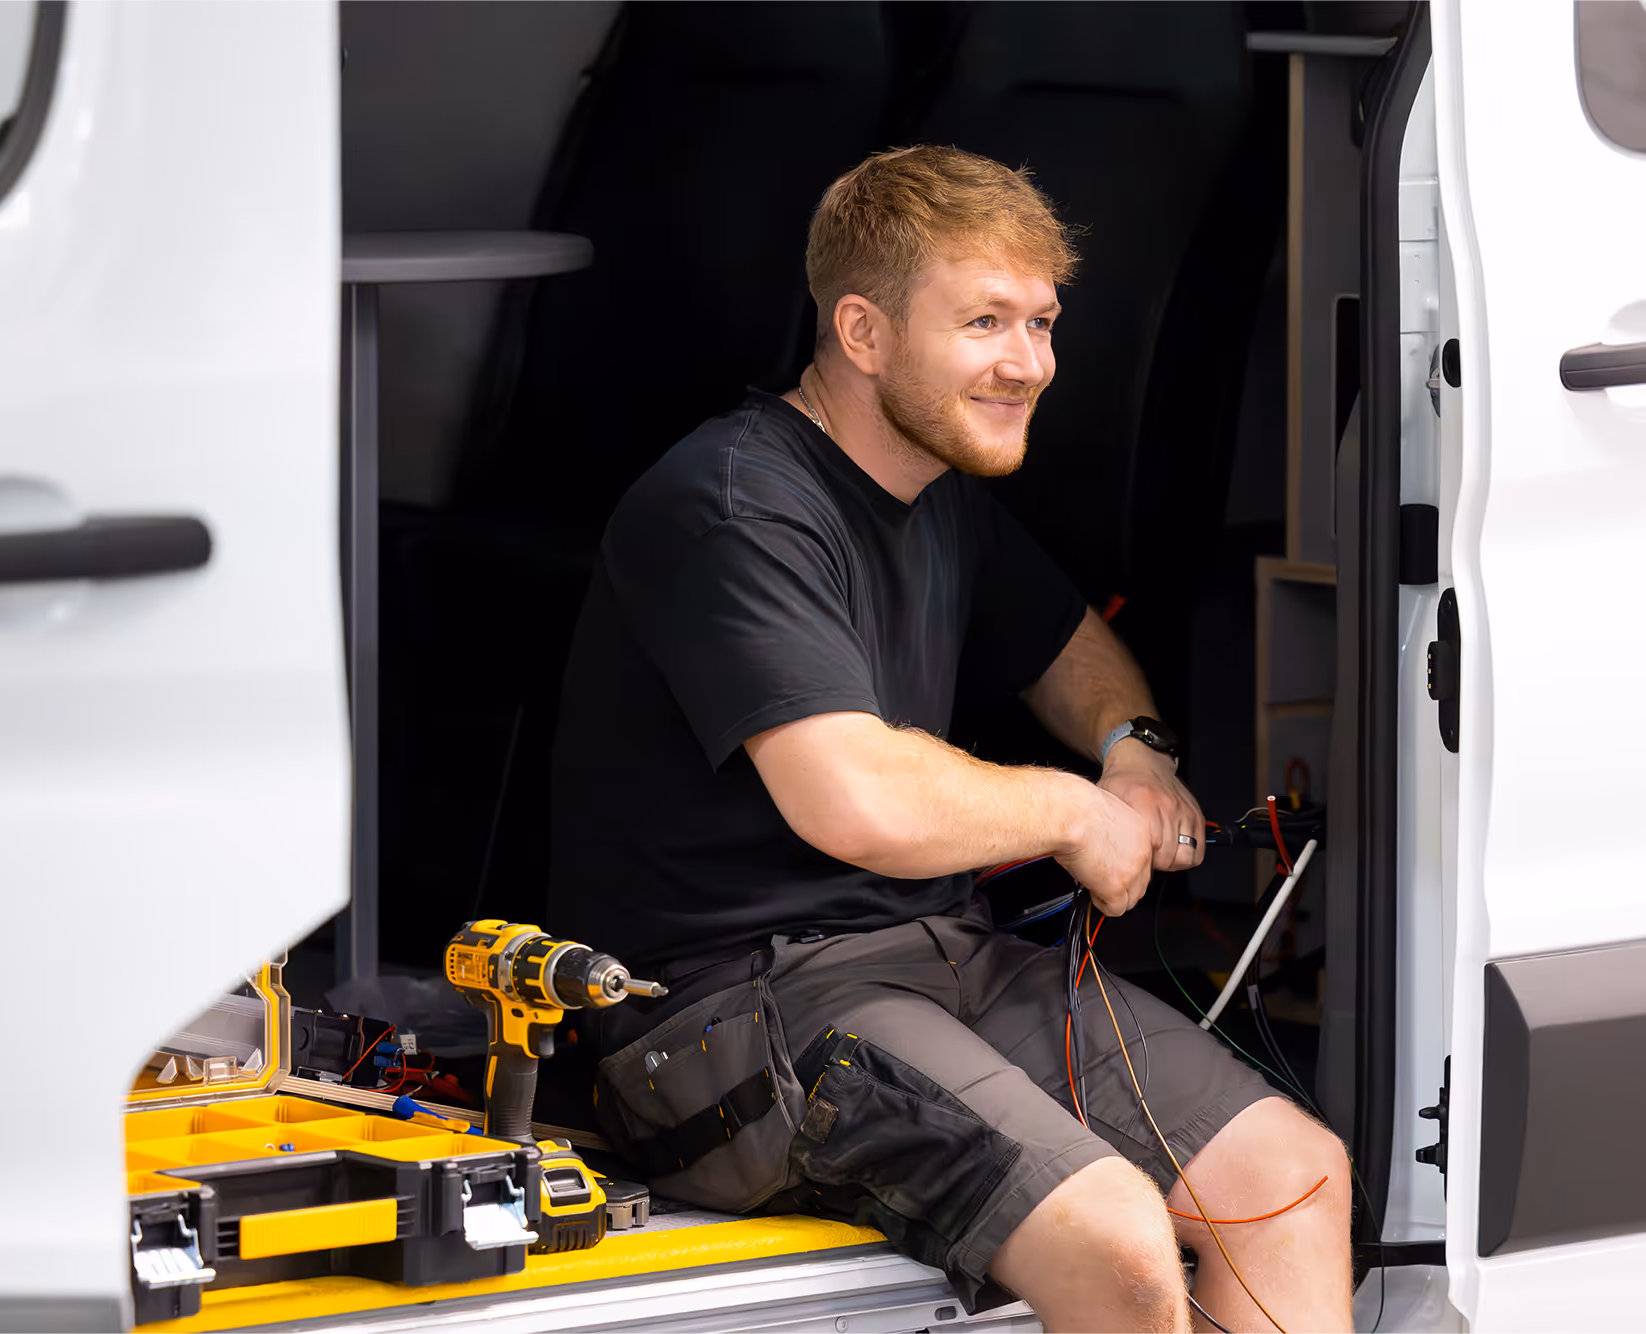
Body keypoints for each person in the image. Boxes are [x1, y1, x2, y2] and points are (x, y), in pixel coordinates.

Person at [547, 145, 1351, 1334]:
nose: (1029, 364)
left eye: (1041, 323)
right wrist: (1077, 809)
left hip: (933, 957)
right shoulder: (730, 502)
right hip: (727, 1009)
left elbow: (1070, 644)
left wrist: (1132, 750)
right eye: (984, 322)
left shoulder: (941, 493)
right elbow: (853, 796)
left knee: (1295, 1180)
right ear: (862, 332)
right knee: (1119, 1238)